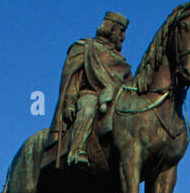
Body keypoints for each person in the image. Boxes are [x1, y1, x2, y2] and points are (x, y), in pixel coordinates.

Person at [51, 11, 132, 167]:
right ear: (111, 29)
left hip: (115, 99)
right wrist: (69, 102)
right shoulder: (86, 47)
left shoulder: (120, 60)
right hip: (90, 95)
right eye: (121, 31)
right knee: (88, 110)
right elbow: (72, 77)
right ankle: (76, 151)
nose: (123, 37)